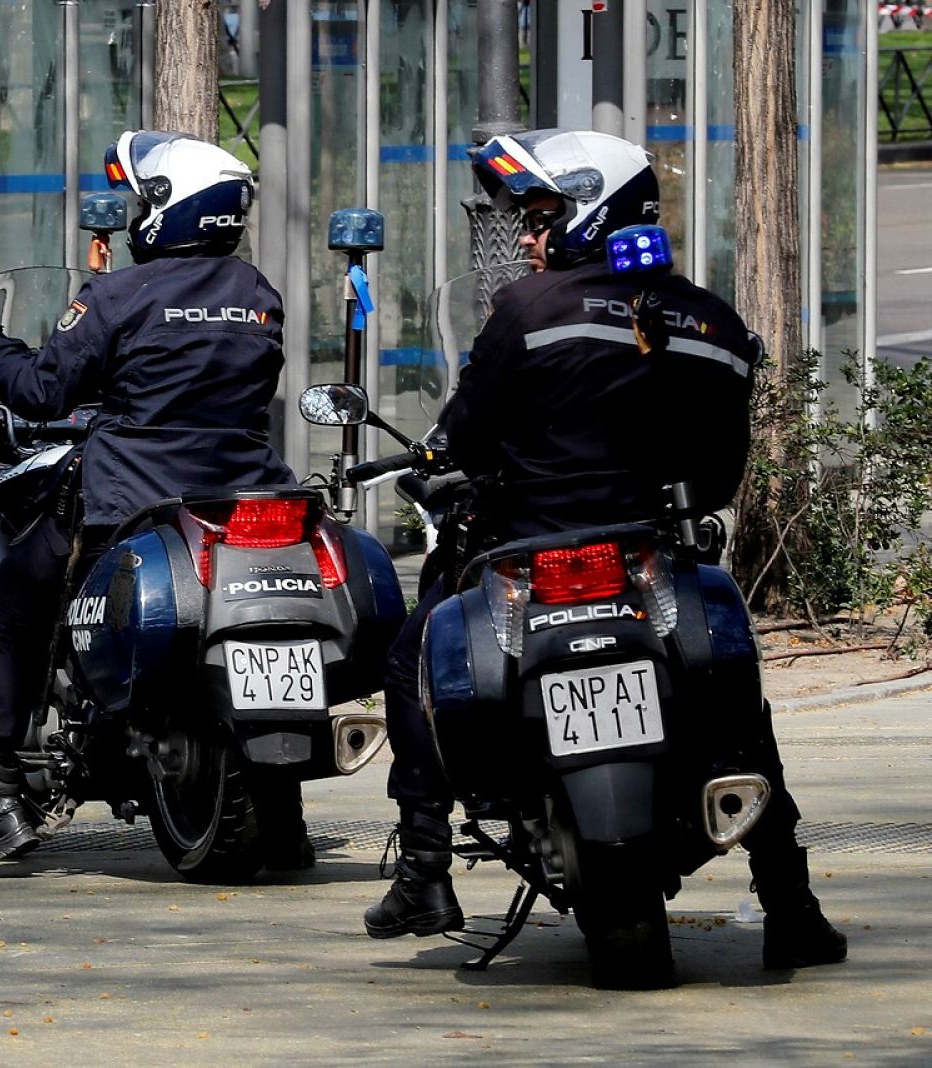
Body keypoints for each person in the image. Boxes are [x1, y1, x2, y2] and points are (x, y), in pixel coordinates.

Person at [363, 129, 848, 972]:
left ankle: (425, 870)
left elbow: (465, 435)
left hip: (525, 550)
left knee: (411, 662)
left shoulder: (527, 309)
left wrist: (455, 461)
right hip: (650, 557)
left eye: (540, 216)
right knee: (738, 708)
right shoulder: (714, 322)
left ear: (593, 209)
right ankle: (791, 905)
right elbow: (721, 475)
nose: (527, 236)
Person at [0, 131, 299, 879]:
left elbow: (42, 390)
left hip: (129, 499)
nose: (135, 217)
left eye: (143, 202)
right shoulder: (258, 293)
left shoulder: (118, 295)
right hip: (242, 495)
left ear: (169, 208)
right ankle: (284, 816)